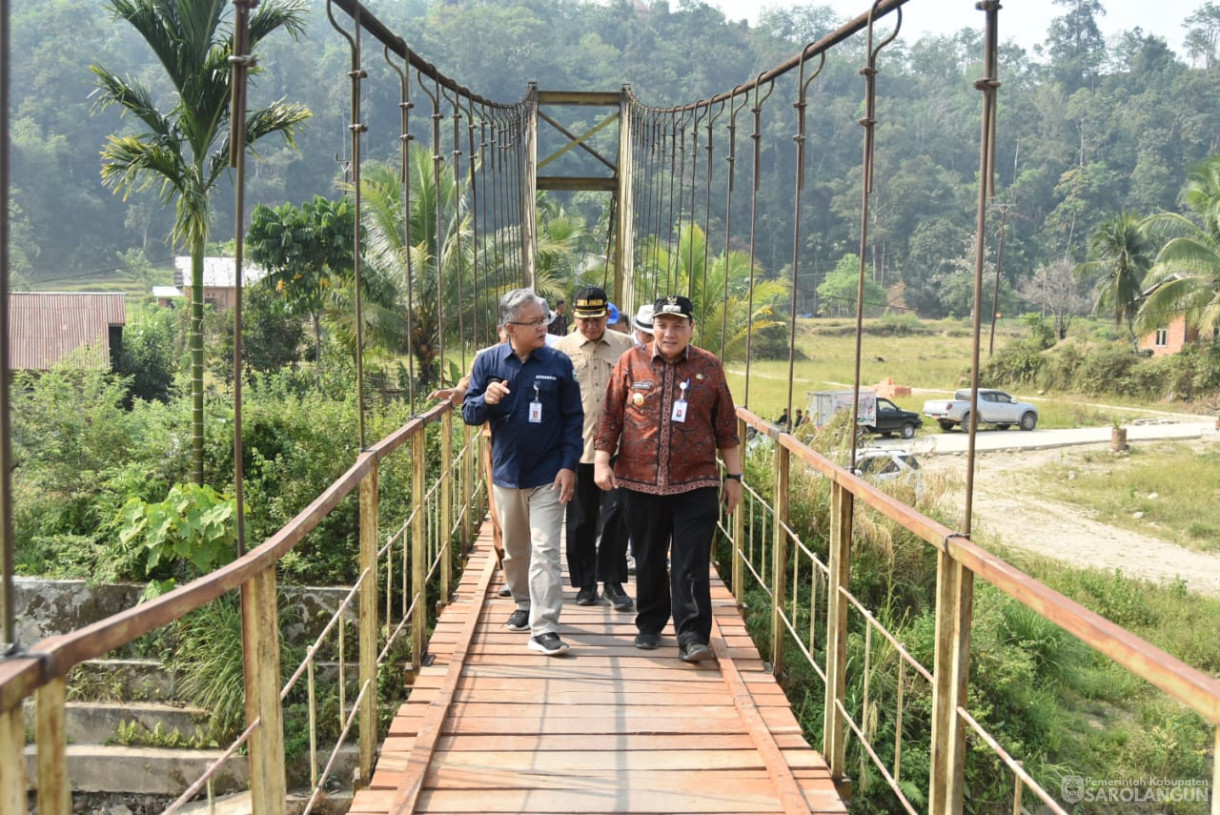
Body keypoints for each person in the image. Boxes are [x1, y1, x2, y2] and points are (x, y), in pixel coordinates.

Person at [594, 295, 743, 663]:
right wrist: (601, 462)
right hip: (639, 481)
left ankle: (692, 635)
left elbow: (726, 426)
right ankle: (650, 623)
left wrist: (734, 476)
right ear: (652, 328)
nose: (669, 332)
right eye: (662, 324)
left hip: (697, 482)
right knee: (648, 557)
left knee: (691, 561)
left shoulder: (709, 367)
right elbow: (611, 415)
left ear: (691, 328)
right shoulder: (632, 361)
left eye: (678, 325)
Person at [463, 289, 583, 656]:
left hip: (548, 474)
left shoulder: (558, 364)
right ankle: (524, 602)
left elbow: (572, 419)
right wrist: (486, 399)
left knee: (546, 549)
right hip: (507, 473)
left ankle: (544, 627)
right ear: (510, 328)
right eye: (534, 322)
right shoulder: (487, 362)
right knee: (516, 551)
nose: (543, 326)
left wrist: (568, 466)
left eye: (544, 319)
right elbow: (469, 414)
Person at [555, 286, 636, 611]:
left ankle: (613, 583)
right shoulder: (561, 349)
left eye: (597, 319)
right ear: (574, 318)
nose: (591, 326)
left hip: (620, 450)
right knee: (580, 520)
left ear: (607, 316)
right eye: (585, 320)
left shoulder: (625, 346)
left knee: (618, 516)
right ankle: (586, 583)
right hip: (577, 448)